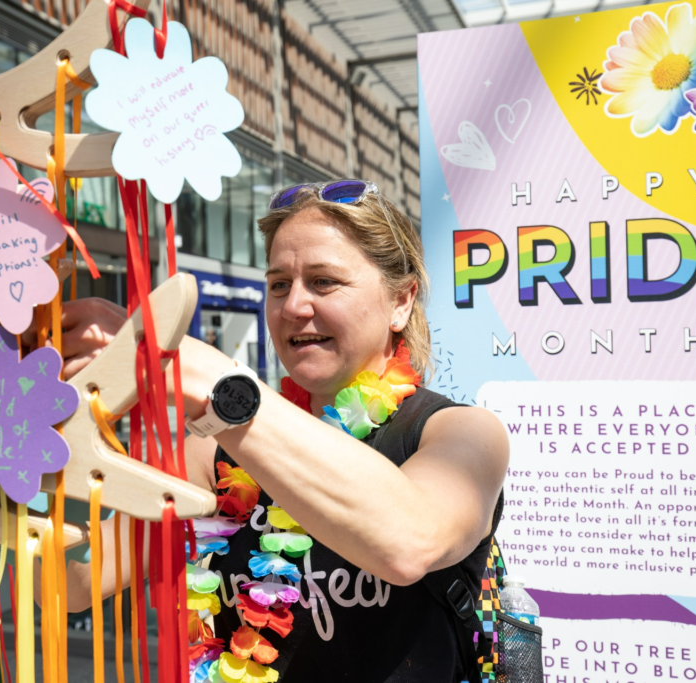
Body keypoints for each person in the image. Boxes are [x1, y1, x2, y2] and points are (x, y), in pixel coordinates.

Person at [32, 180, 509, 681]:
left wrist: (203, 377)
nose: (294, 306)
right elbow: (76, 581)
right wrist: (24, 447)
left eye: (324, 282)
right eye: (279, 284)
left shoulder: (460, 433)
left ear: (401, 301)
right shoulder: (213, 450)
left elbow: (409, 542)